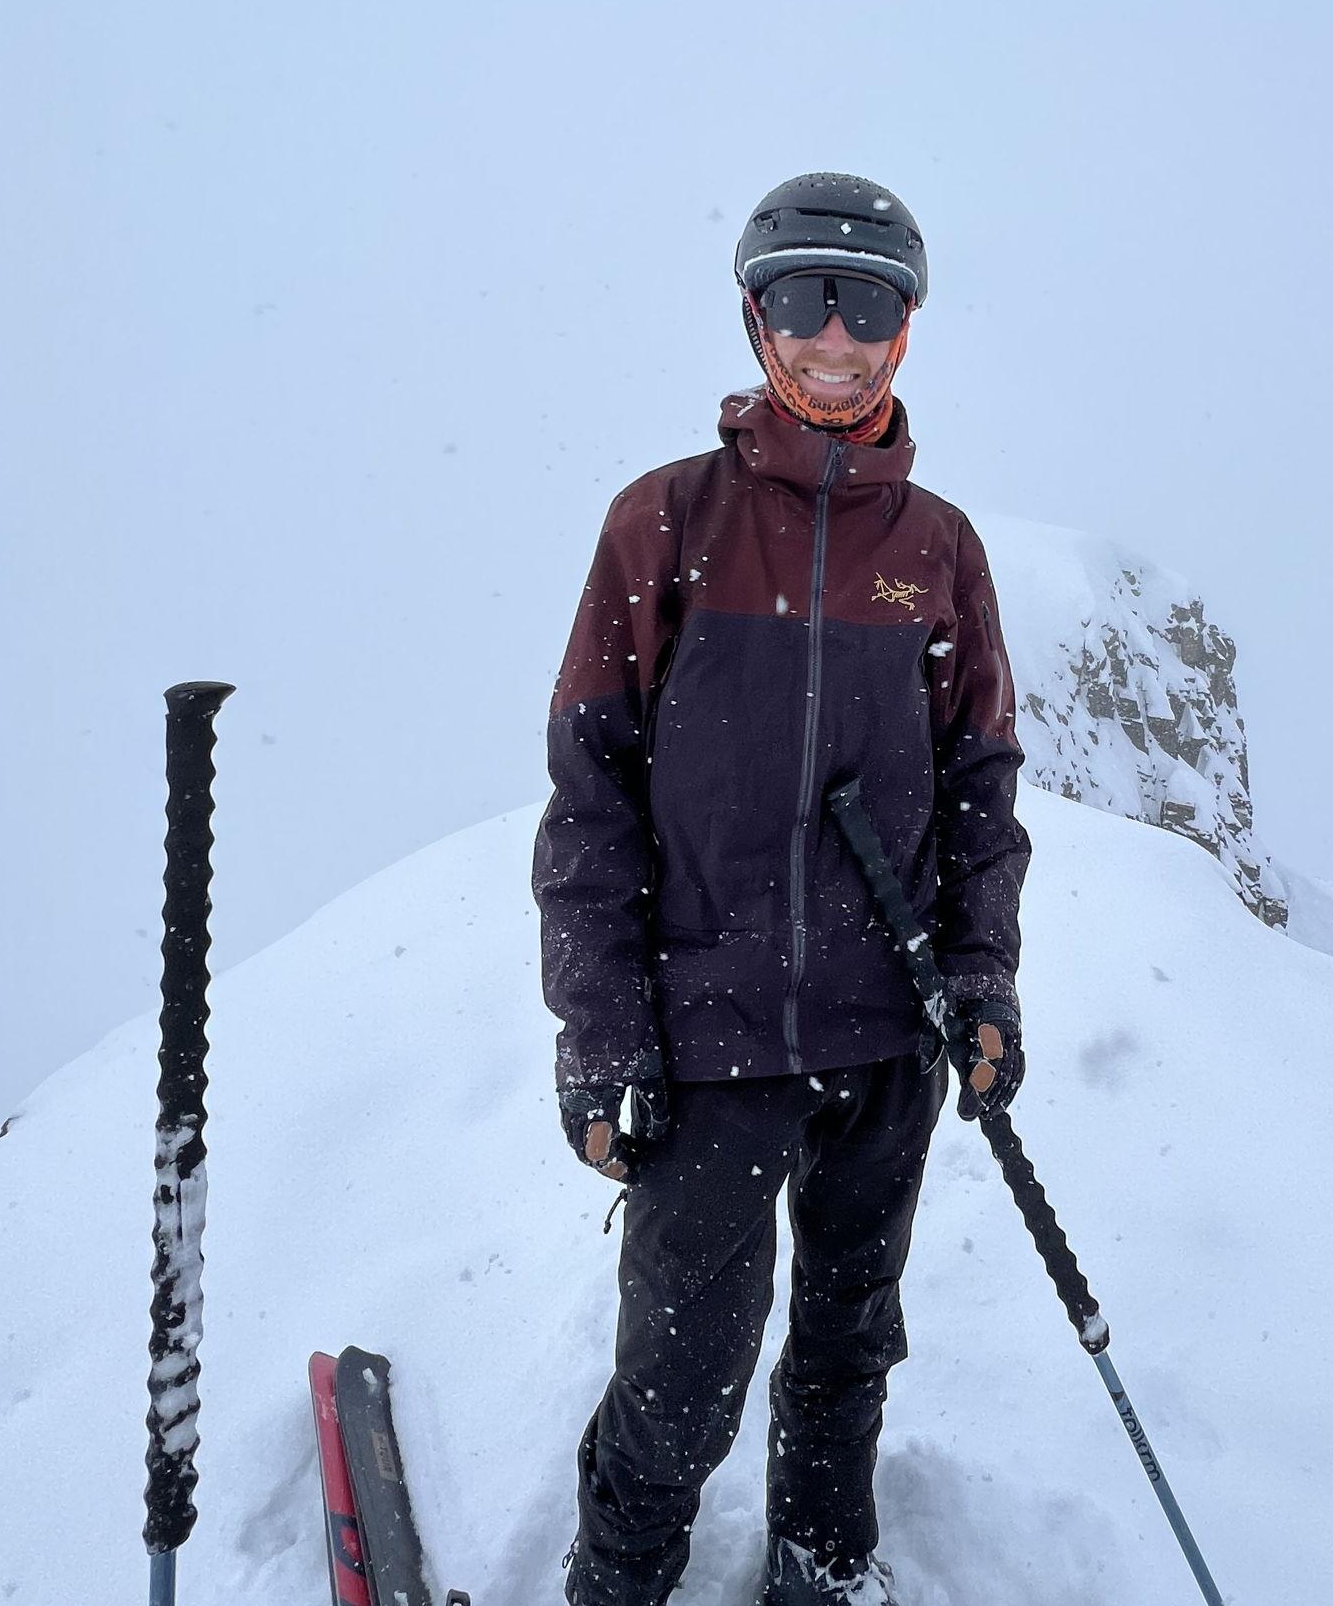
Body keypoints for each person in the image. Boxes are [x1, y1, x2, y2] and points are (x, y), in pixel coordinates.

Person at [534, 172, 1032, 1606]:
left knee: (846, 1343)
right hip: (715, 1038)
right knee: (687, 1367)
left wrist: (982, 982)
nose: (835, 337)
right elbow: (592, 805)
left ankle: (822, 1565)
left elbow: (982, 798)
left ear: (905, 329)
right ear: (757, 319)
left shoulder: (939, 555)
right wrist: (605, 1033)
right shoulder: (665, 526)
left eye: (865, 304)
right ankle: (619, 1578)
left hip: (889, 1027)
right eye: (805, 302)